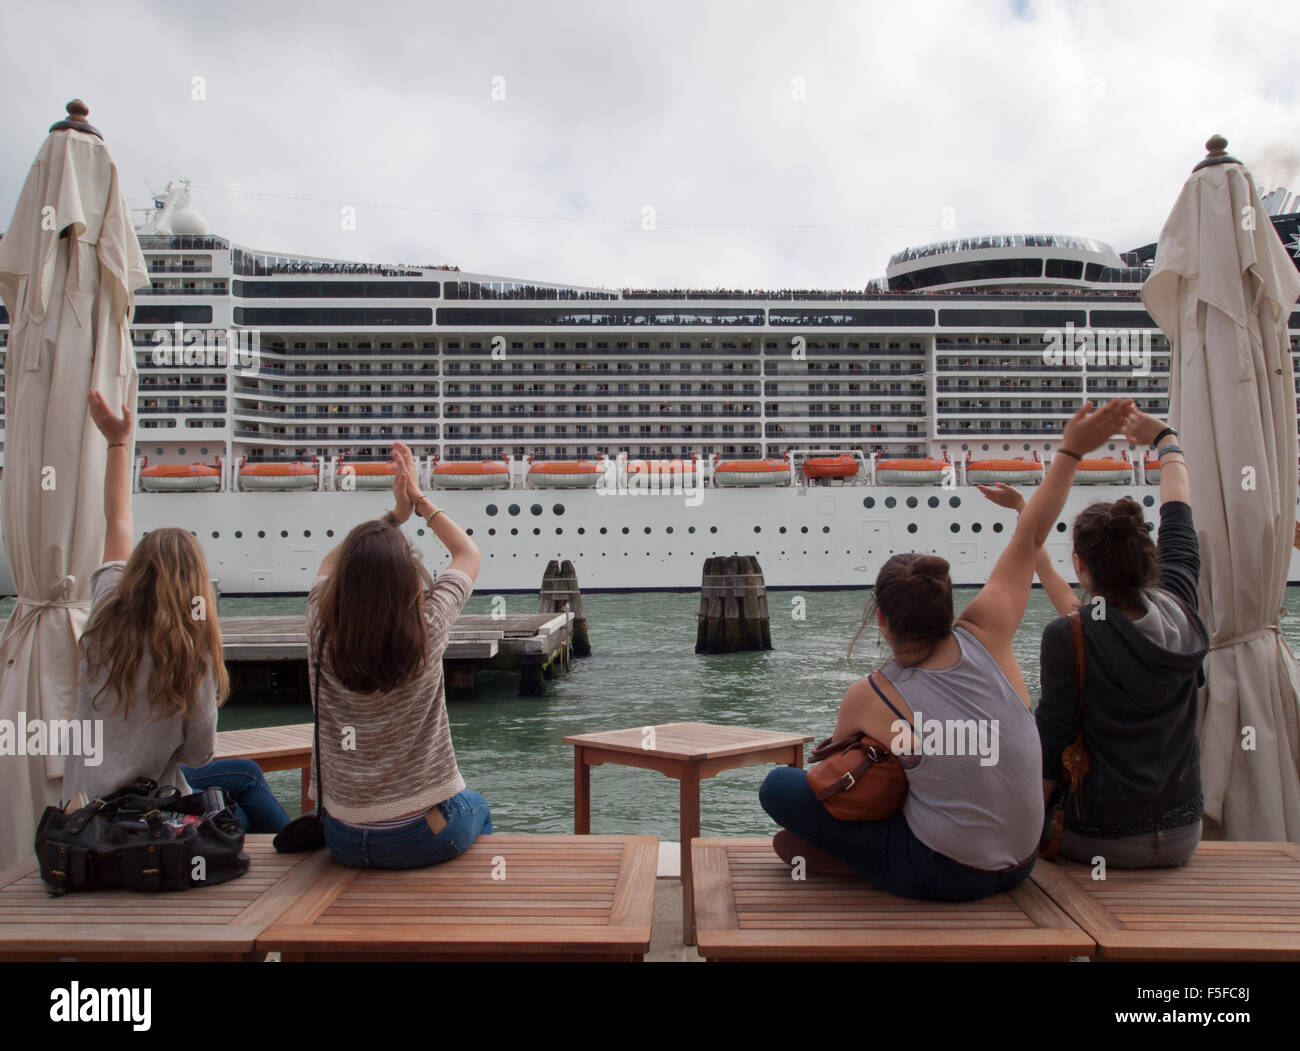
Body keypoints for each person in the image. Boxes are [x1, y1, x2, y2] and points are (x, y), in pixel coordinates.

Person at [759, 398, 1135, 901]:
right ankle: (857, 854)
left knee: (779, 787)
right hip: (1021, 862)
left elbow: (837, 785)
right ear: (945, 603)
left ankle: (853, 857)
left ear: (884, 619)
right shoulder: (989, 635)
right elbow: (1032, 534)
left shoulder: (870, 693)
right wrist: (1069, 450)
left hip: (950, 873)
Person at [63, 392, 289, 834]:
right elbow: (199, 755)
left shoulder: (107, 604)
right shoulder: (191, 655)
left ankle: (289, 848)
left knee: (236, 795)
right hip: (141, 816)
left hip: (82, 810)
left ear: (138, 570)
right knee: (239, 789)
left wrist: (117, 442)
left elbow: (117, 522)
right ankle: (295, 853)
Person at [1021, 408, 1206, 868]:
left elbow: (1051, 746)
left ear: (1080, 565)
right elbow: (1178, 518)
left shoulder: (1069, 636)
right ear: (1148, 556)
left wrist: (1025, 831)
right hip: (1184, 832)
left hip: (1098, 839)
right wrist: (1166, 440)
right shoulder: (1180, 604)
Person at [306, 440, 489, 869]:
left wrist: (394, 517)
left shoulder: (319, 627)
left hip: (343, 837)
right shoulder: (429, 628)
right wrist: (421, 502)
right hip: (419, 837)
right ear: (408, 580)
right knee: (476, 806)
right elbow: (468, 553)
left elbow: (332, 565)